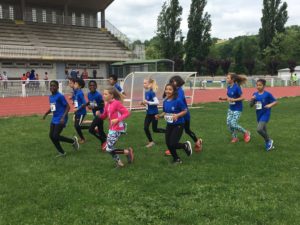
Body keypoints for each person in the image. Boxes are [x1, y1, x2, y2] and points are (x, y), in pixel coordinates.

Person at [155, 83, 193, 164]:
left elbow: (185, 111)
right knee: (168, 143)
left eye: (170, 89)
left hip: (179, 124)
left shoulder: (178, 100)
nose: (168, 91)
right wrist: (159, 116)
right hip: (170, 124)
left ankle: (185, 146)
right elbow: (165, 112)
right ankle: (177, 159)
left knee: (173, 143)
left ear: (174, 91)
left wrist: (177, 115)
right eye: (166, 89)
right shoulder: (165, 101)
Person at [42, 80, 79, 157]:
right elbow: (53, 108)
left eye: (54, 86)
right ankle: (62, 152)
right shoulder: (51, 97)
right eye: (51, 86)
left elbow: (68, 107)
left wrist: (63, 117)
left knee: (55, 136)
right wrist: (46, 114)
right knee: (51, 136)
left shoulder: (60, 96)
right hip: (55, 117)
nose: (52, 87)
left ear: (57, 87)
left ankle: (73, 141)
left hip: (61, 117)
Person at [100, 86, 133, 168]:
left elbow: (127, 113)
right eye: (103, 94)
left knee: (108, 148)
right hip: (112, 128)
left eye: (105, 94)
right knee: (109, 148)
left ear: (111, 95)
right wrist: (99, 115)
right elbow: (104, 116)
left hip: (118, 128)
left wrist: (117, 120)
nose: (103, 95)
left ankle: (126, 153)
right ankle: (120, 161)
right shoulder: (107, 104)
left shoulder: (117, 103)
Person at [168, 75, 203, 154]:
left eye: (173, 81)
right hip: (178, 115)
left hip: (184, 115)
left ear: (178, 82)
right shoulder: (174, 90)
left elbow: (177, 102)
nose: (172, 83)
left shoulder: (180, 91)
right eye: (171, 81)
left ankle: (173, 146)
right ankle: (198, 141)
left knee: (180, 131)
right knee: (186, 130)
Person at [219, 73, 251, 143]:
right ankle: (235, 138)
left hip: (238, 108)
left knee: (233, 123)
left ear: (232, 79)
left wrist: (234, 100)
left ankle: (246, 132)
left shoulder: (237, 87)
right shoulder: (228, 87)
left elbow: (242, 98)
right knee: (228, 123)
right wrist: (223, 99)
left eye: (228, 78)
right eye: (226, 78)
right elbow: (229, 98)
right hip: (231, 108)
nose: (226, 79)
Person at [250, 79, 277, 151]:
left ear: (264, 86)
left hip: (266, 114)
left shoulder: (267, 94)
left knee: (259, 129)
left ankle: (269, 140)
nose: (258, 86)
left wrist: (269, 105)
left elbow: (275, 102)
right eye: (257, 85)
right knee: (264, 131)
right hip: (259, 114)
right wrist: (252, 99)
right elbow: (251, 105)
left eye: (260, 85)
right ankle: (269, 145)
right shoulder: (254, 94)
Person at [141, 78, 165, 148]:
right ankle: (151, 141)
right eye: (143, 83)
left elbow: (157, 102)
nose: (144, 84)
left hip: (154, 114)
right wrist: (143, 103)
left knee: (155, 129)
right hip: (149, 113)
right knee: (145, 128)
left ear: (150, 84)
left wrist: (147, 102)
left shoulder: (152, 92)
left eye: (145, 83)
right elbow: (148, 104)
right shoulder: (146, 92)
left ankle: (168, 132)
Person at [85, 80, 107, 150]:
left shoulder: (98, 95)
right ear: (88, 87)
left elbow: (102, 105)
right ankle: (106, 143)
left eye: (93, 85)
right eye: (90, 85)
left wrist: (94, 107)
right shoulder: (88, 94)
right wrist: (88, 105)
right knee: (100, 130)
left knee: (91, 130)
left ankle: (103, 140)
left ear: (96, 86)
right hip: (96, 115)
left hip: (100, 115)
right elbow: (91, 103)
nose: (92, 87)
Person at [73, 78, 87, 144]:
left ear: (80, 86)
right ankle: (93, 127)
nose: (74, 85)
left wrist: (77, 108)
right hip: (77, 112)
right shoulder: (76, 92)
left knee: (77, 126)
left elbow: (84, 103)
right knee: (76, 125)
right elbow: (77, 101)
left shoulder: (80, 93)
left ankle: (83, 139)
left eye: (75, 84)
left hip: (81, 112)